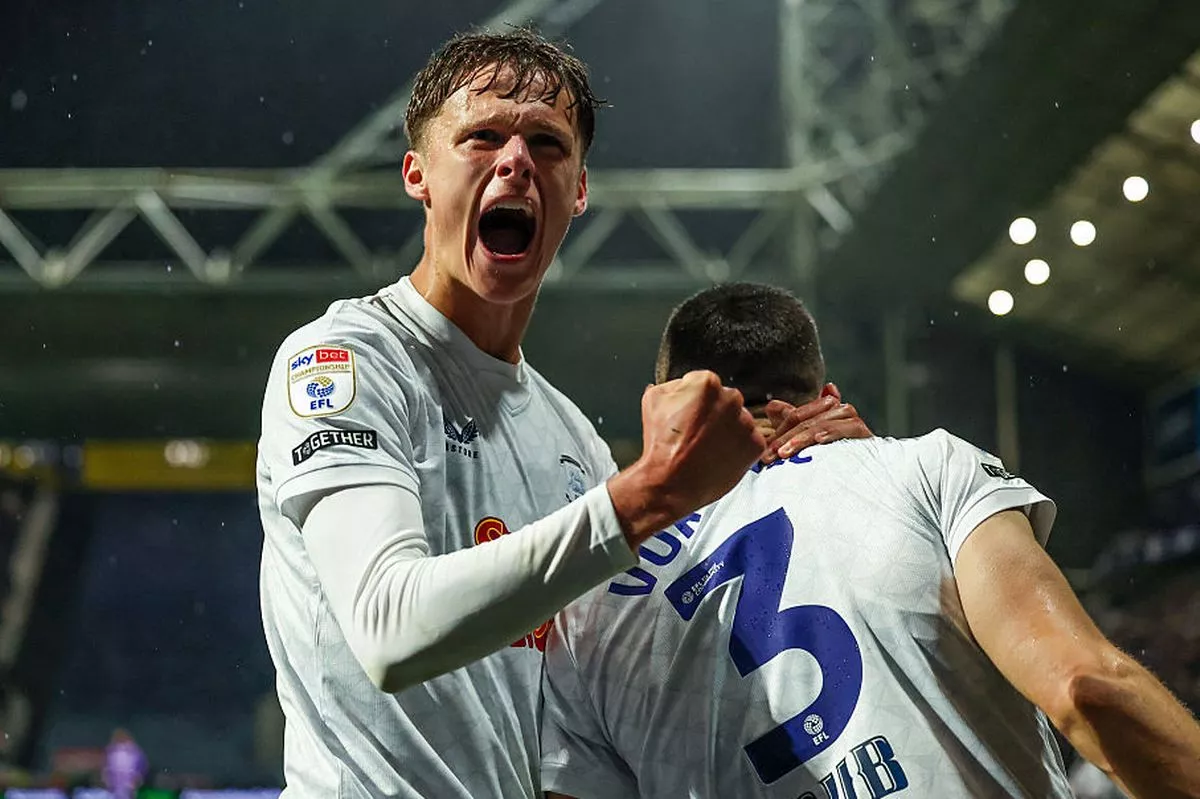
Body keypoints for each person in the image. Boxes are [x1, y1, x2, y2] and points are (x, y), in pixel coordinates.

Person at [255, 30, 866, 799]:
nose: (515, 160)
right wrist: (645, 495)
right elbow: (387, 629)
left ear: (578, 190)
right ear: (418, 173)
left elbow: (605, 700)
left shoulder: (574, 442)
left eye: (546, 143)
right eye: (481, 136)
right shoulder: (346, 360)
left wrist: (837, 469)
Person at [540, 282, 1200, 799]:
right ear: (827, 395)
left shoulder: (590, 612)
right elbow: (1086, 687)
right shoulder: (927, 467)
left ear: (663, 407)